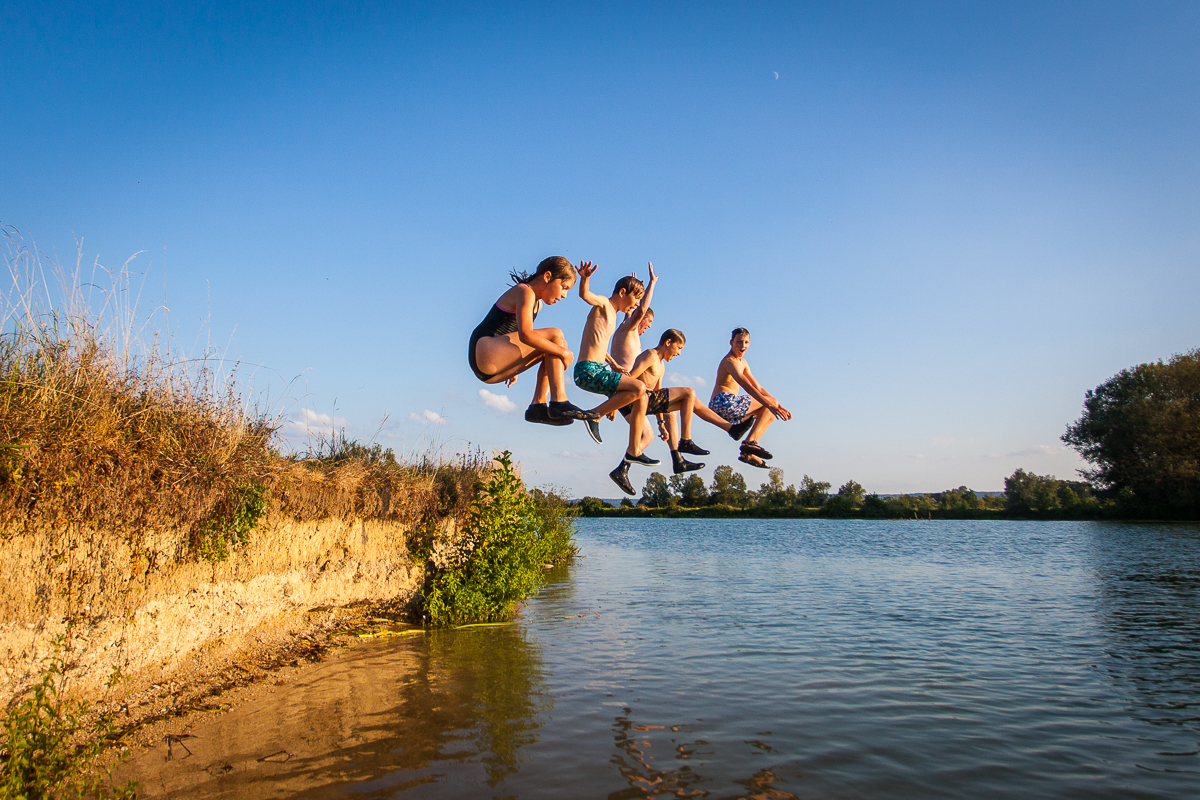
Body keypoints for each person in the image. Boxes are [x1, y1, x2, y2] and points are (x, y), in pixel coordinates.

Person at [468, 256, 598, 425]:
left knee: (556, 344)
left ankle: (538, 407)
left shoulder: (538, 304)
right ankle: (559, 401)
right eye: (564, 287)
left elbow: (525, 338)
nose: (564, 295)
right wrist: (563, 353)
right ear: (547, 277)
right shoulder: (525, 291)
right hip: (484, 349)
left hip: (492, 368)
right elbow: (526, 335)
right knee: (556, 336)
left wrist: (511, 362)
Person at [572, 263, 660, 493]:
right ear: (622, 293)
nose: (636, 305)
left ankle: (634, 452)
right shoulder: (604, 305)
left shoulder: (613, 319)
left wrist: (613, 365)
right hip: (588, 370)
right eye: (634, 299)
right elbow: (584, 295)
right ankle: (594, 416)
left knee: (641, 397)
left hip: (598, 368)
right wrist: (585, 278)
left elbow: (599, 344)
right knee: (639, 387)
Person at [708, 327, 792, 468]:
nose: (743, 346)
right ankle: (749, 444)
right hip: (722, 402)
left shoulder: (743, 362)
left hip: (730, 406)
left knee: (769, 411)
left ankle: (748, 452)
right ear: (731, 342)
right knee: (769, 405)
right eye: (739, 342)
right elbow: (747, 386)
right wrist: (771, 403)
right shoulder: (730, 362)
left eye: (746, 342)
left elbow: (758, 388)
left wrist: (777, 405)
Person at [610, 261, 657, 372]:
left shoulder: (626, 326)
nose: (650, 326)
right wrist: (652, 283)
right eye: (649, 321)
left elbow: (631, 310)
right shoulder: (629, 326)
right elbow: (641, 310)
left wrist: (635, 290)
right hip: (624, 379)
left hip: (626, 379)